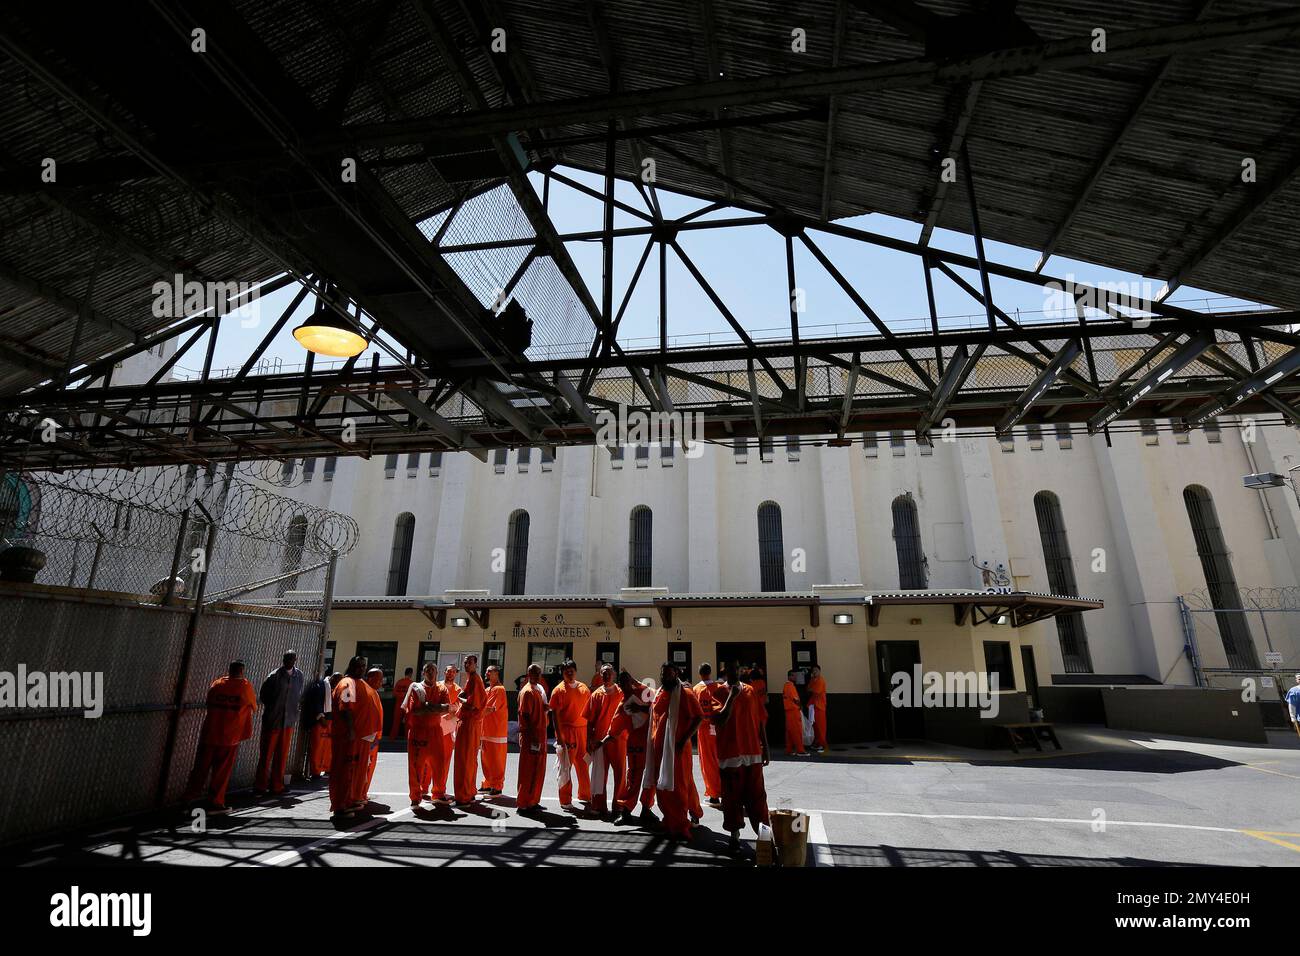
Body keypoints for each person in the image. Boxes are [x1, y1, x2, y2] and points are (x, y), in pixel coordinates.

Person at [183, 660, 258, 814]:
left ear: (229, 670)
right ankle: (215, 803)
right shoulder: (245, 687)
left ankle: (188, 799)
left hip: (210, 734)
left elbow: (209, 701)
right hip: (229, 737)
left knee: (200, 768)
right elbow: (253, 706)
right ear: (242, 671)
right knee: (221, 771)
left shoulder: (217, 684)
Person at [713, 660, 771, 853]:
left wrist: (766, 747)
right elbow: (719, 720)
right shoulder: (719, 692)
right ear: (725, 672)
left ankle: (765, 840)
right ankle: (734, 836)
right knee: (731, 799)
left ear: (740, 671)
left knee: (758, 799)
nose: (733, 672)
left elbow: (761, 720)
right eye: (730, 669)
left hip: (753, 752)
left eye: (736, 669)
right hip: (730, 754)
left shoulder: (751, 691)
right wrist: (731, 697)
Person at [645, 662, 703, 841]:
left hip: (676, 749)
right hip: (659, 749)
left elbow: (698, 717)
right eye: (663, 674)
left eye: (669, 673)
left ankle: (681, 824)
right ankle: (669, 819)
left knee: (679, 787)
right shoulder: (660, 692)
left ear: (676, 673)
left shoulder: (685, 693)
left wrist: (683, 740)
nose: (666, 676)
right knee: (662, 786)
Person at [329, 656, 382, 818]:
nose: (362, 668)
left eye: (363, 666)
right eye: (358, 666)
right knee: (344, 770)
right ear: (351, 666)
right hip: (348, 737)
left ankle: (352, 799)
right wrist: (351, 730)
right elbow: (345, 708)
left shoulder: (360, 683)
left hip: (362, 738)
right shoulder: (347, 683)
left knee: (356, 772)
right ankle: (340, 805)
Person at [256, 650, 305, 795]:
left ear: (295, 659)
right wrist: (274, 708)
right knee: (266, 754)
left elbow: (297, 694)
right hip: (273, 720)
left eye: (291, 658)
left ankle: (277, 785)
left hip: (288, 721)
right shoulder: (274, 676)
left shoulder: (299, 675)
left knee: (281, 754)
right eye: (286, 658)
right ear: (283, 659)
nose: (289, 661)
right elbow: (264, 695)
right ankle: (260, 785)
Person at [403, 663, 448, 807]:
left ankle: (439, 793)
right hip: (419, 731)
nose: (430, 672)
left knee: (439, 764)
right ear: (423, 673)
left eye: (432, 670)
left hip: (435, 731)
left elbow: (446, 708)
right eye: (427, 670)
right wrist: (436, 707)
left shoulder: (442, 688)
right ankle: (415, 796)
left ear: (437, 672)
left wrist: (427, 706)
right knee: (416, 766)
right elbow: (415, 711)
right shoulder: (416, 688)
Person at [613, 670, 655, 825]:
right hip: (634, 744)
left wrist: (640, 708)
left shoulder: (643, 692)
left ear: (631, 681)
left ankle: (646, 809)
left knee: (650, 776)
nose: (624, 686)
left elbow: (656, 706)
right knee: (633, 776)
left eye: (627, 682)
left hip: (650, 741)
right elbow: (614, 726)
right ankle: (626, 811)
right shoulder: (623, 703)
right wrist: (603, 740)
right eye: (621, 684)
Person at [548, 659, 591, 811]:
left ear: (576, 670)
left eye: (572, 670)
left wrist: (590, 734)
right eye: (566, 671)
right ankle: (565, 800)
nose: (569, 673)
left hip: (583, 731)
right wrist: (559, 737)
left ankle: (585, 795)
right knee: (566, 767)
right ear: (562, 673)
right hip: (567, 732)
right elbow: (554, 715)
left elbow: (590, 712)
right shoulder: (558, 690)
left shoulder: (584, 688)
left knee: (583, 764)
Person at [585, 664, 625, 817]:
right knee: (599, 774)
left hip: (618, 740)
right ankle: (598, 804)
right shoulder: (596, 694)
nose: (606, 676)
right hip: (600, 741)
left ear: (614, 674)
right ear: (600, 676)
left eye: (609, 673)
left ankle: (619, 806)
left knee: (620, 774)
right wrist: (589, 740)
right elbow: (589, 720)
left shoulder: (622, 693)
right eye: (603, 674)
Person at [452, 654, 487, 805]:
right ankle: (469, 791)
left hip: (469, 723)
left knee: (464, 759)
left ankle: (464, 795)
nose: (467, 665)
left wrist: (460, 699)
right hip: (470, 723)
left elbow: (473, 704)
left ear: (475, 664)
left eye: (470, 662)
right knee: (469, 759)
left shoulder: (475, 679)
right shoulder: (472, 680)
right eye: (465, 662)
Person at [516, 663, 549, 813]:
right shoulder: (527, 691)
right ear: (529, 674)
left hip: (540, 734)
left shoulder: (538, 689)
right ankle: (523, 803)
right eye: (534, 673)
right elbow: (526, 715)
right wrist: (534, 736)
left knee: (538, 769)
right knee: (528, 770)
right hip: (531, 735)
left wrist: (546, 708)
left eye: (539, 673)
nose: (537, 676)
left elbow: (538, 709)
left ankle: (533, 800)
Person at [693, 663, 722, 805]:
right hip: (718, 727)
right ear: (710, 672)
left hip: (703, 729)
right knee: (721, 759)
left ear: (700, 673)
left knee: (708, 762)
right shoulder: (718, 687)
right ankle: (725, 791)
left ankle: (714, 794)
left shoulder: (696, 689)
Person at [478, 665, 508, 795]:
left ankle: (497, 785)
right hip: (485, 731)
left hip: (496, 732)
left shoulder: (499, 689)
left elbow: (490, 709)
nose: (487, 673)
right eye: (486, 671)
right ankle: (488, 783)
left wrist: (473, 712)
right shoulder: (486, 689)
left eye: (489, 671)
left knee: (496, 761)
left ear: (496, 673)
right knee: (485, 760)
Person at [301, 669, 333, 779]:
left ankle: (327, 767)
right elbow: (315, 703)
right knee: (317, 746)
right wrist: (321, 716)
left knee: (328, 747)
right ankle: (316, 770)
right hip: (320, 720)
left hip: (330, 720)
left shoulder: (332, 687)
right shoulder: (320, 686)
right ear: (332, 679)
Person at [437, 663, 461, 801]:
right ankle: (424, 787)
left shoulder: (459, 690)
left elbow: (461, 707)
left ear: (456, 674)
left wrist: (452, 715)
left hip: (449, 728)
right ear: (444, 672)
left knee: (445, 759)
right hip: (435, 726)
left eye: (453, 672)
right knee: (430, 758)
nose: (451, 674)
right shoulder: (437, 686)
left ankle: (440, 789)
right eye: (449, 671)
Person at [362, 668, 386, 801]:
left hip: (374, 737)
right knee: (365, 767)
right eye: (379, 680)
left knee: (369, 767)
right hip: (368, 738)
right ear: (370, 678)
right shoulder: (366, 692)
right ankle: (359, 794)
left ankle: (363, 793)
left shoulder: (373, 693)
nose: (381, 683)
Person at [781, 670, 808, 756]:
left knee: (789, 732)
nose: (795, 677)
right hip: (793, 711)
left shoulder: (785, 685)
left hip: (788, 711)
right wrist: (800, 706)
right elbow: (795, 699)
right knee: (797, 731)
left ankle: (789, 750)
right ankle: (800, 750)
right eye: (794, 676)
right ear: (789, 676)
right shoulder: (790, 685)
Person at [807, 665, 828, 752]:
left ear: (819, 671)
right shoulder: (813, 680)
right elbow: (808, 689)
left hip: (820, 706)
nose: (814, 672)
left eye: (816, 670)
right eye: (813, 670)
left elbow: (815, 691)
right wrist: (811, 688)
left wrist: (811, 688)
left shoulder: (820, 680)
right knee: (815, 726)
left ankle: (823, 745)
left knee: (821, 726)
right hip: (813, 706)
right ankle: (817, 743)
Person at [390, 667, 414, 738]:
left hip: (398, 704)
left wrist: (401, 695)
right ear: (410, 674)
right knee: (408, 723)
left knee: (396, 722)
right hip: (407, 705)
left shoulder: (399, 682)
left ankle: (392, 738)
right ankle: (407, 738)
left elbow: (394, 693)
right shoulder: (411, 683)